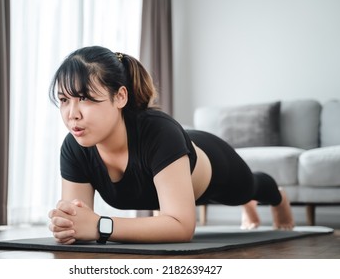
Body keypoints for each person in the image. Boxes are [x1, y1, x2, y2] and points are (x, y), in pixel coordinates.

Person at [48, 46, 294, 245]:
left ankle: (278, 198)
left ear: (120, 97)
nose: (72, 114)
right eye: (64, 100)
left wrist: (100, 225)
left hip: (214, 162)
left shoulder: (159, 132)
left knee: (249, 187)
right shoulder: (74, 146)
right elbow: (75, 224)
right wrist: (66, 226)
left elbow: (181, 227)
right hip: (168, 158)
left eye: (84, 98)